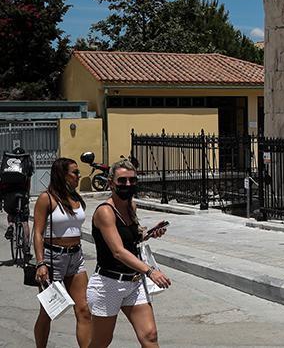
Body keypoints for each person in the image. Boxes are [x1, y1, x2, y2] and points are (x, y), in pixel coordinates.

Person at [87, 159, 171, 348]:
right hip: (108, 284)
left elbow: (132, 239)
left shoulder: (130, 206)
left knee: (150, 335)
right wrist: (150, 271)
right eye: (122, 181)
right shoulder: (105, 212)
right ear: (111, 183)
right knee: (101, 342)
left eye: (132, 181)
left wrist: (148, 234)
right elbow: (118, 251)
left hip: (133, 282)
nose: (128, 185)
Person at [32, 158, 92, 348]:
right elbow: (38, 233)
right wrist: (40, 263)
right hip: (52, 258)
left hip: (76, 256)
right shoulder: (46, 199)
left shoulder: (76, 198)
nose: (78, 176)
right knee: (48, 311)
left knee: (83, 310)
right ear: (62, 174)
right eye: (75, 172)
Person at [2, 146, 34, 259]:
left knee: (11, 213)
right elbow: (28, 183)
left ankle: (10, 226)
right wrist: (27, 194)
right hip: (22, 195)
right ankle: (26, 250)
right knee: (25, 221)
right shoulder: (26, 166)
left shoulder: (7, 166)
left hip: (9, 195)